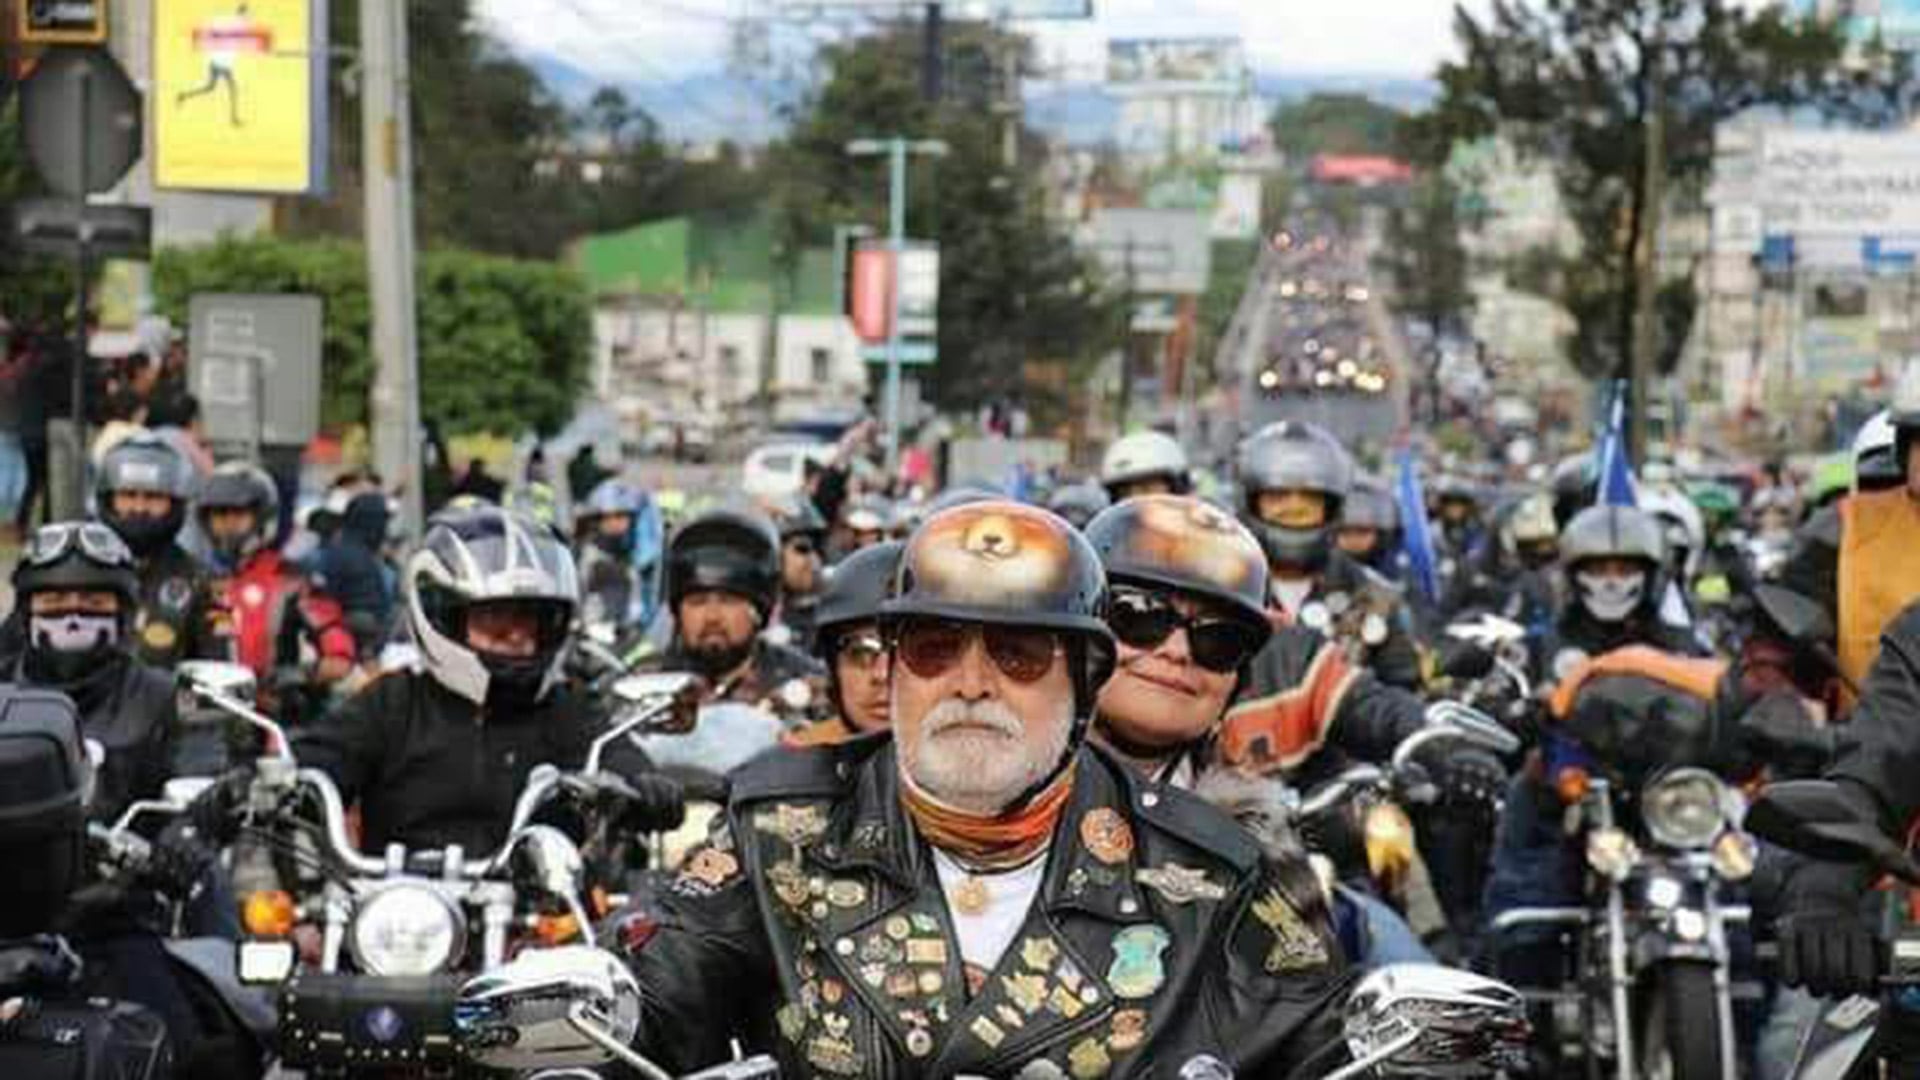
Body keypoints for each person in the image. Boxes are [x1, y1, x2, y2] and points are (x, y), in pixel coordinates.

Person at [601, 500, 1352, 1078]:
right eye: (932, 649)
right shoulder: (780, 830)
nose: (969, 684)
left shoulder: (1207, 872)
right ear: (892, 673)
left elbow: (1326, 1046)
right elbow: (643, 1004)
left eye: (1019, 655)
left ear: (1082, 684)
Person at [1082, 494, 1439, 963]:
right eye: (1139, 616)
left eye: (1219, 638)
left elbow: (1303, 1001)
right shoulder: (997, 788)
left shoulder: (1256, 838)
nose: (1176, 650)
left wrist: (1438, 746)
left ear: (1237, 678)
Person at [287, 505, 682, 855]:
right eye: (496, 618)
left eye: (531, 619)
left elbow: (616, 754)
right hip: (399, 914)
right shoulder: (393, 703)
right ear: (445, 617)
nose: (517, 635)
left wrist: (644, 786)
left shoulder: (566, 710)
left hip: (540, 915)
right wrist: (270, 786)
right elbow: (320, 761)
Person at [1236, 420, 1422, 689]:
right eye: (1278, 496)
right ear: (1252, 503)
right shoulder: (1222, 588)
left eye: (1310, 498)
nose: (1294, 508)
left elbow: (1402, 687)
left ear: (1332, 507)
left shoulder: (1374, 596)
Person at [194, 462, 357, 723]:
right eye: (219, 515)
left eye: (238, 515)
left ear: (262, 517)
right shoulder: (194, 580)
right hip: (204, 723)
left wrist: (294, 675)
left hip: (275, 721)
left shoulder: (290, 579)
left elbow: (340, 658)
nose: (227, 524)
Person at [634, 505, 824, 719]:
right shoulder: (644, 685)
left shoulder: (803, 682)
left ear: (759, 611)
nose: (712, 617)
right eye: (697, 602)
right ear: (677, 612)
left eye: (728, 602)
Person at [94, 432, 233, 668]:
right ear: (108, 499)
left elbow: (218, 670)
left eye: (153, 497)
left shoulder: (201, 582)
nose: (139, 507)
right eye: (128, 495)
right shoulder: (78, 571)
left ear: (175, 503)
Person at [785, 540, 904, 746]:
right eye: (861, 653)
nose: (882, 674)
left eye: (904, 654)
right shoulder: (786, 769)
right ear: (833, 669)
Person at [307, 490, 395, 658]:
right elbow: (324, 604)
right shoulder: (346, 555)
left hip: (369, 645)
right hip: (350, 650)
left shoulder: (363, 553)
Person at [574, 479, 664, 634]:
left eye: (621, 516)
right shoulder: (590, 555)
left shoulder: (634, 552)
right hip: (596, 631)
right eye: (608, 517)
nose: (614, 523)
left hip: (628, 631)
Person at [769, 494, 829, 652]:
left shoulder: (826, 617)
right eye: (802, 549)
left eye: (817, 550)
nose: (814, 559)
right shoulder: (749, 622)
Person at [1098, 430, 1191, 503]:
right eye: (1125, 493)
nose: (1135, 499)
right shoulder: (1115, 526)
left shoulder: (1199, 525)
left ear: (1177, 488)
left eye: (1146, 488)